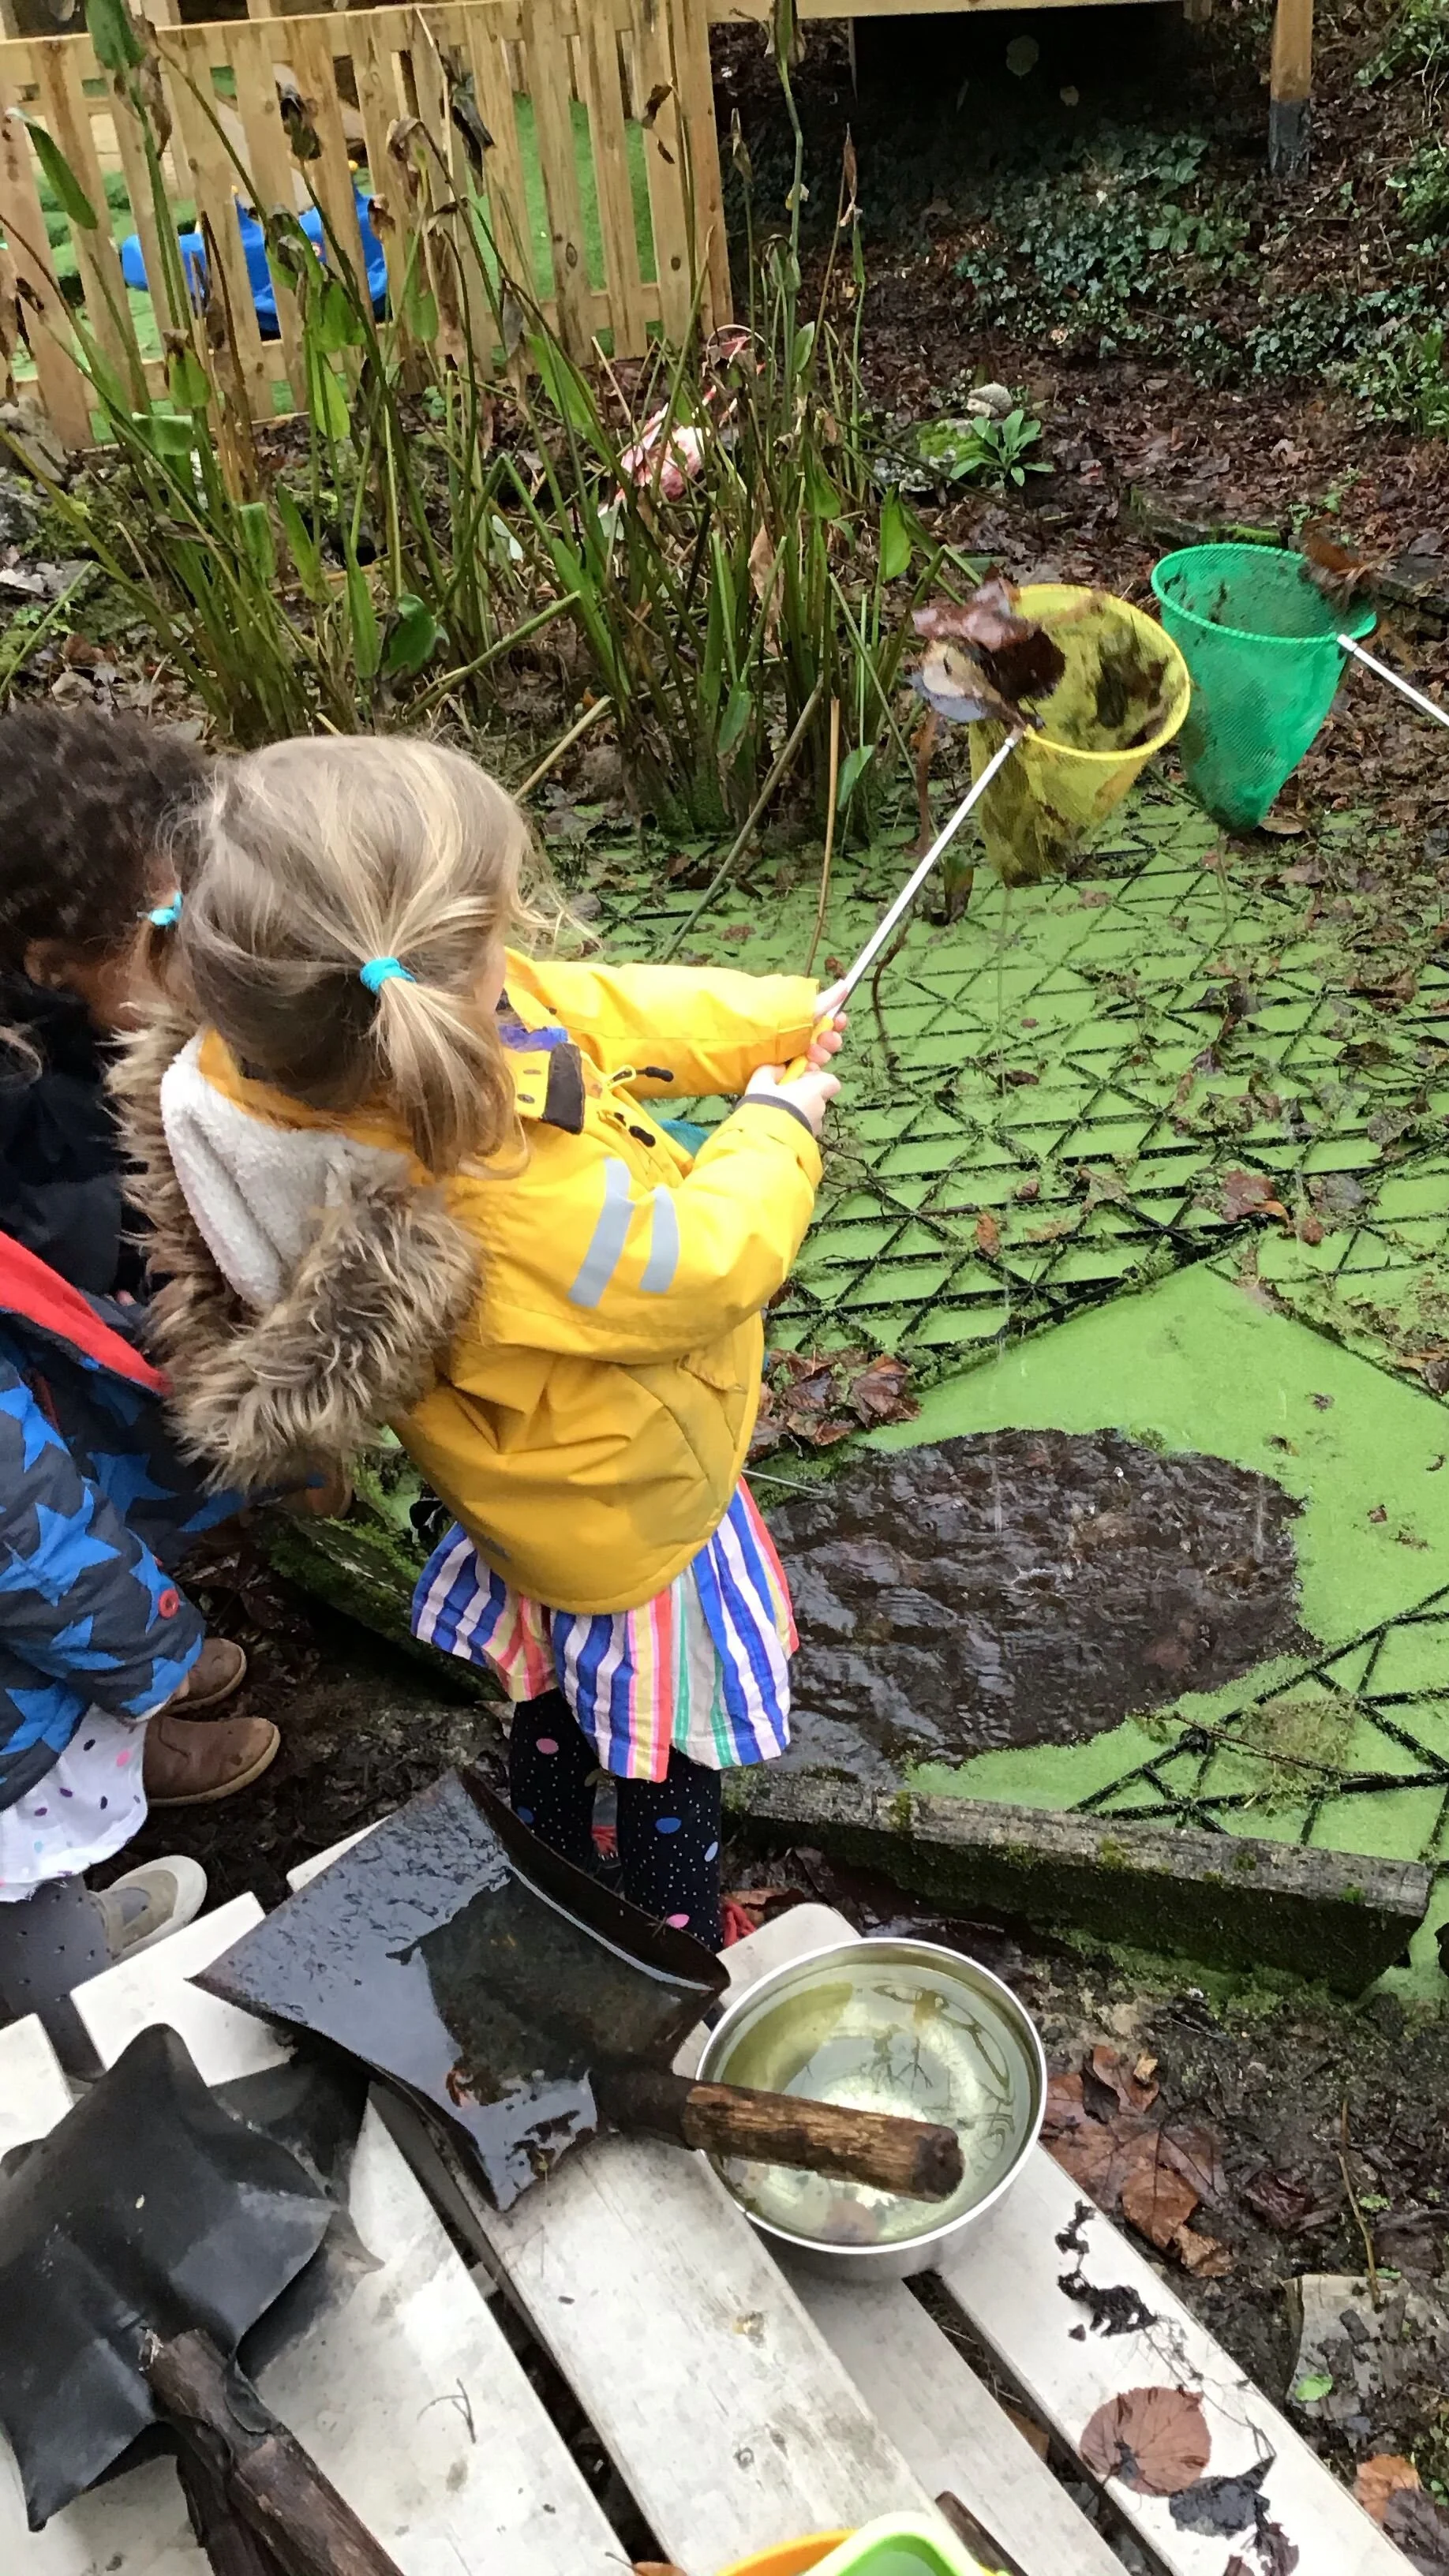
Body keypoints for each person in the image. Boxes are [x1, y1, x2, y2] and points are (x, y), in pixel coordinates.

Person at [120, 735, 842, 1951]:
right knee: (665, 1743)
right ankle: (667, 1931)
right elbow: (703, 1265)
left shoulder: (274, 1059)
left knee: (554, 1694)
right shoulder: (502, 1192)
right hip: (627, 1509)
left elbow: (593, 1008)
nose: (520, 955)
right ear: (446, 975)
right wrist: (777, 1125)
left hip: (514, 1487)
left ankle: (552, 1859)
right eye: (504, 930)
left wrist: (767, 1022)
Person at [0, 713, 278, 2061]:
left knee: (88, 1593)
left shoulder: (42, 1021)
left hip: (57, 1423)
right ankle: (77, 2031)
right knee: (34, 1938)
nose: (201, 958)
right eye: (171, 934)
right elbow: (28, 1529)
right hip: (33, 1600)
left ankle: (123, 1726)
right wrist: (146, 1653)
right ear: (54, 954)